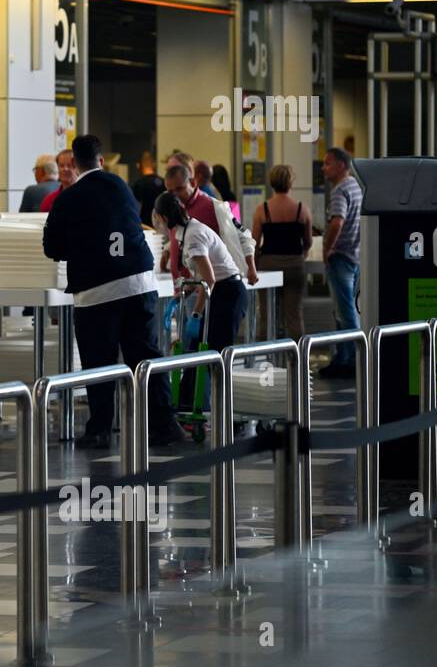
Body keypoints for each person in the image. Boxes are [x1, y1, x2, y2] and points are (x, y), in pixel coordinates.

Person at [43, 135, 186, 449]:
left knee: (100, 361)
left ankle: (100, 429)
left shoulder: (67, 198)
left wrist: (79, 246)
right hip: (138, 281)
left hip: (96, 291)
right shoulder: (121, 186)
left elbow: (51, 247)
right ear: (101, 160)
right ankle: (165, 424)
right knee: (146, 356)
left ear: (74, 164)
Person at [155, 191, 249, 356]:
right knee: (197, 353)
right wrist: (178, 298)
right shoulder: (185, 230)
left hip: (229, 293)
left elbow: (209, 279)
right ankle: (192, 383)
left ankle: (218, 382)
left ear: (163, 218)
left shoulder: (193, 235)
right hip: (219, 291)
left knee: (214, 355)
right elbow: (199, 276)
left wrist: (196, 315)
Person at [252, 164, 312, 341]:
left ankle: (267, 357)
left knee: (267, 315)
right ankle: (297, 359)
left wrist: (253, 266)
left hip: (269, 265)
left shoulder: (262, 209)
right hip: (295, 265)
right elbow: (307, 242)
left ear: (272, 183)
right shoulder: (302, 209)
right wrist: (301, 255)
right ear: (291, 182)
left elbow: (254, 243)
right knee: (294, 316)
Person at [320, 147, 363, 377]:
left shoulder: (339, 191)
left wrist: (327, 249)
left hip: (341, 257)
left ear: (341, 166)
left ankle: (354, 360)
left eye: (328, 163)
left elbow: (337, 222)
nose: (323, 167)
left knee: (345, 312)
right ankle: (343, 357)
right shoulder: (357, 187)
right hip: (356, 256)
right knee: (344, 310)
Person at [130, 151, 166, 225]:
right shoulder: (163, 182)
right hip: (162, 224)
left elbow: (135, 208)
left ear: (139, 165)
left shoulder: (139, 184)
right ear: (154, 164)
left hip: (144, 225)